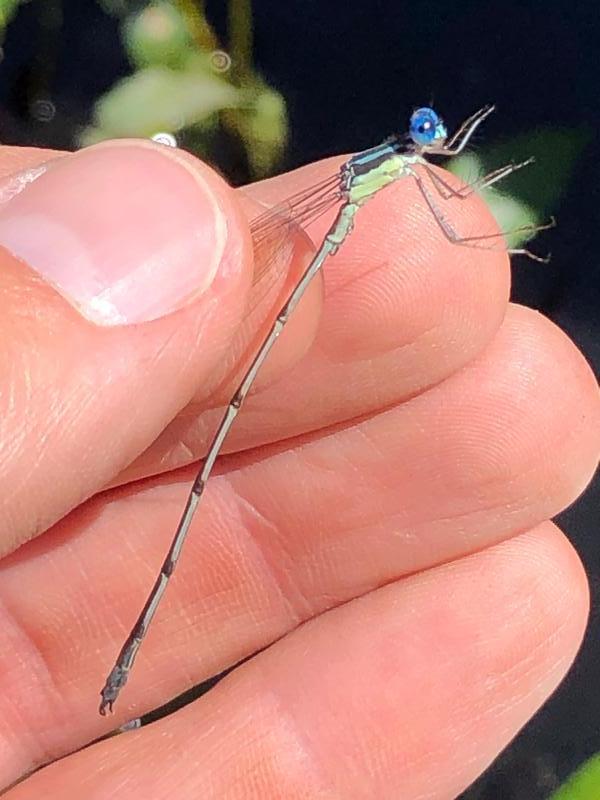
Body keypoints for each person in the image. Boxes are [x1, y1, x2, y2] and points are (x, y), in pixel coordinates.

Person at [0, 138, 597, 798]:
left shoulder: (402, 168)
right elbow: (450, 225)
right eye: (427, 138)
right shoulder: (399, 173)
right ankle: (124, 670)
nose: (436, 145)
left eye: (436, 139)